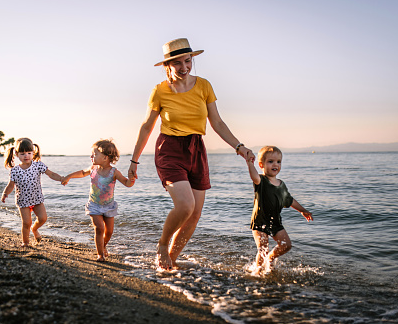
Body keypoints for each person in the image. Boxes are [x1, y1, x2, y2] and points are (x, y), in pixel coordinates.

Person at [128, 38, 253, 270]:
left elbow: (217, 122)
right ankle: (162, 246)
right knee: (185, 206)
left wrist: (239, 147)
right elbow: (146, 126)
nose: (184, 67)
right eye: (177, 63)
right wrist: (134, 160)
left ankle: (170, 263)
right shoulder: (159, 91)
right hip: (170, 149)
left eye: (188, 61)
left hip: (197, 149)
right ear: (168, 66)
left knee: (194, 214)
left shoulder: (204, 85)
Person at [62, 139, 135, 262]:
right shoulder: (93, 169)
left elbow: (127, 183)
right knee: (99, 228)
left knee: (109, 231)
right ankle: (100, 254)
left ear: (105, 157)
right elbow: (82, 173)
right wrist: (68, 176)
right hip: (94, 205)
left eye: (94, 154)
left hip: (109, 206)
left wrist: (132, 178)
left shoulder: (114, 172)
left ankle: (103, 246)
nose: (91, 156)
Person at [245, 146, 313, 275]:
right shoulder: (261, 181)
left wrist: (302, 210)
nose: (275, 164)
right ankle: (257, 272)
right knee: (263, 249)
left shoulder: (281, 185)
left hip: (275, 222)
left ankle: (270, 259)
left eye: (278, 162)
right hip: (260, 221)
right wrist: (249, 163)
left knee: (286, 245)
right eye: (270, 161)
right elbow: (253, 176)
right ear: (262, 165)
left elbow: (289, 200)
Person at [1, 138, 64, 247]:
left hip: (37, 199)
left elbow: (51, 174)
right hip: (23, 201)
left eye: (29, 153)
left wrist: (62, 178)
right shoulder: (15, 170)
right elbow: (11, 185)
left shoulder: (38, 165)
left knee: (43, 218)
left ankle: (34, 229)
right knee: (26, 223)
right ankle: (25, 242)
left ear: (33, 153)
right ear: (16, 154)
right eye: (22, 153)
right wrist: (5, 193)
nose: (26, 156)